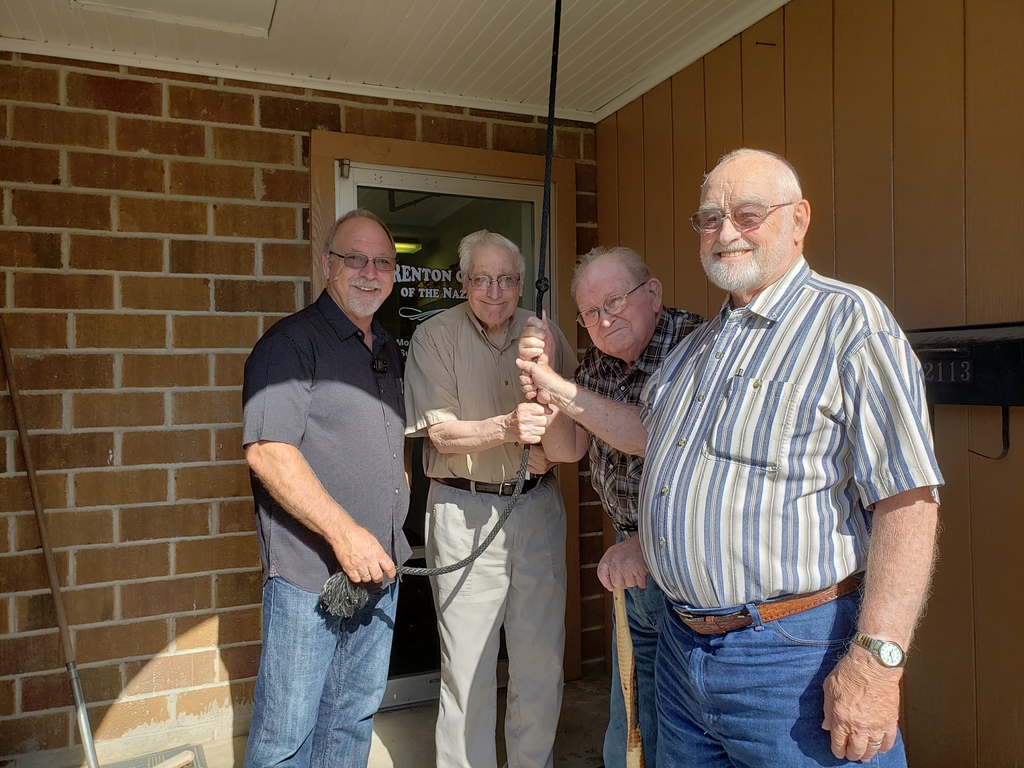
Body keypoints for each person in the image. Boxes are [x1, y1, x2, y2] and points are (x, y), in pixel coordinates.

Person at [517, 149, 943, 767]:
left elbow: (908, 498)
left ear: (797, 220)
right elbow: (648, 437)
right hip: (684, 653)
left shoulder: (849, 322)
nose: (726, 232)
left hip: (793, 656)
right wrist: (556, 388)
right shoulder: (699, 349)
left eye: (747, 214)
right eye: (710, 219)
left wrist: (878, 660)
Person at [518, 246, 703, 767]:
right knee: (631, 706)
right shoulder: (600, 360)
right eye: (591, 313)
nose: (604, 319)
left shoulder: (695, 346)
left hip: (685, 556)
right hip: (627, 553)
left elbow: (653, 434)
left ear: (653, 294)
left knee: (679, 712)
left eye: (616, 301)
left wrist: (559, 387)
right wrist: (545, 383)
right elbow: (566, 450)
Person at [241, 209, 410, 768]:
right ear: (327, 265)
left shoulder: (384, 343)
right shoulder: (289, 345)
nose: (369, 271)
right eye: (354, 259)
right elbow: (269, 451)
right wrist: (346, 535)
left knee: (351, 720)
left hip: (380, 569)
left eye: (383, 262)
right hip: (310, 579)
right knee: (287, 737)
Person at [404, 229, 577, 768]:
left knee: (540, 662)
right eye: (481, 279)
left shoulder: (544, 337)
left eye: (506, 279)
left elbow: (572, 426)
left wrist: (549, 438)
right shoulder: (434, 336)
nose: (494, 291)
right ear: (463, 281)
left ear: (521, 282)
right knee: (468, 667)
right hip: (464, 510)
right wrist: (508, 426)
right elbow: (442, 436)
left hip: (537, 508)